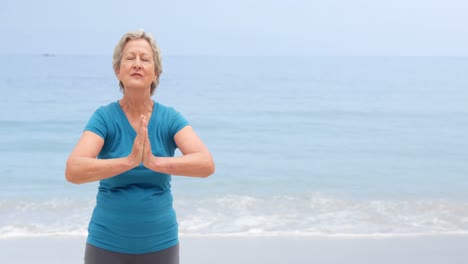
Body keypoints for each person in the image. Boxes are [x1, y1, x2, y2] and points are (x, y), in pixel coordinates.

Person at [65, 30, 215, 264]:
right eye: (129, 58)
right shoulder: (104, 118)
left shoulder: (170, 118)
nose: (137, 64)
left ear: (156, 73)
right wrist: (129, 161)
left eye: (145, 59)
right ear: (118, 70)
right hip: (106, 244)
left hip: (160, 245)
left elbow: (205, 164)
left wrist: (154, 162)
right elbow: (73, 170)